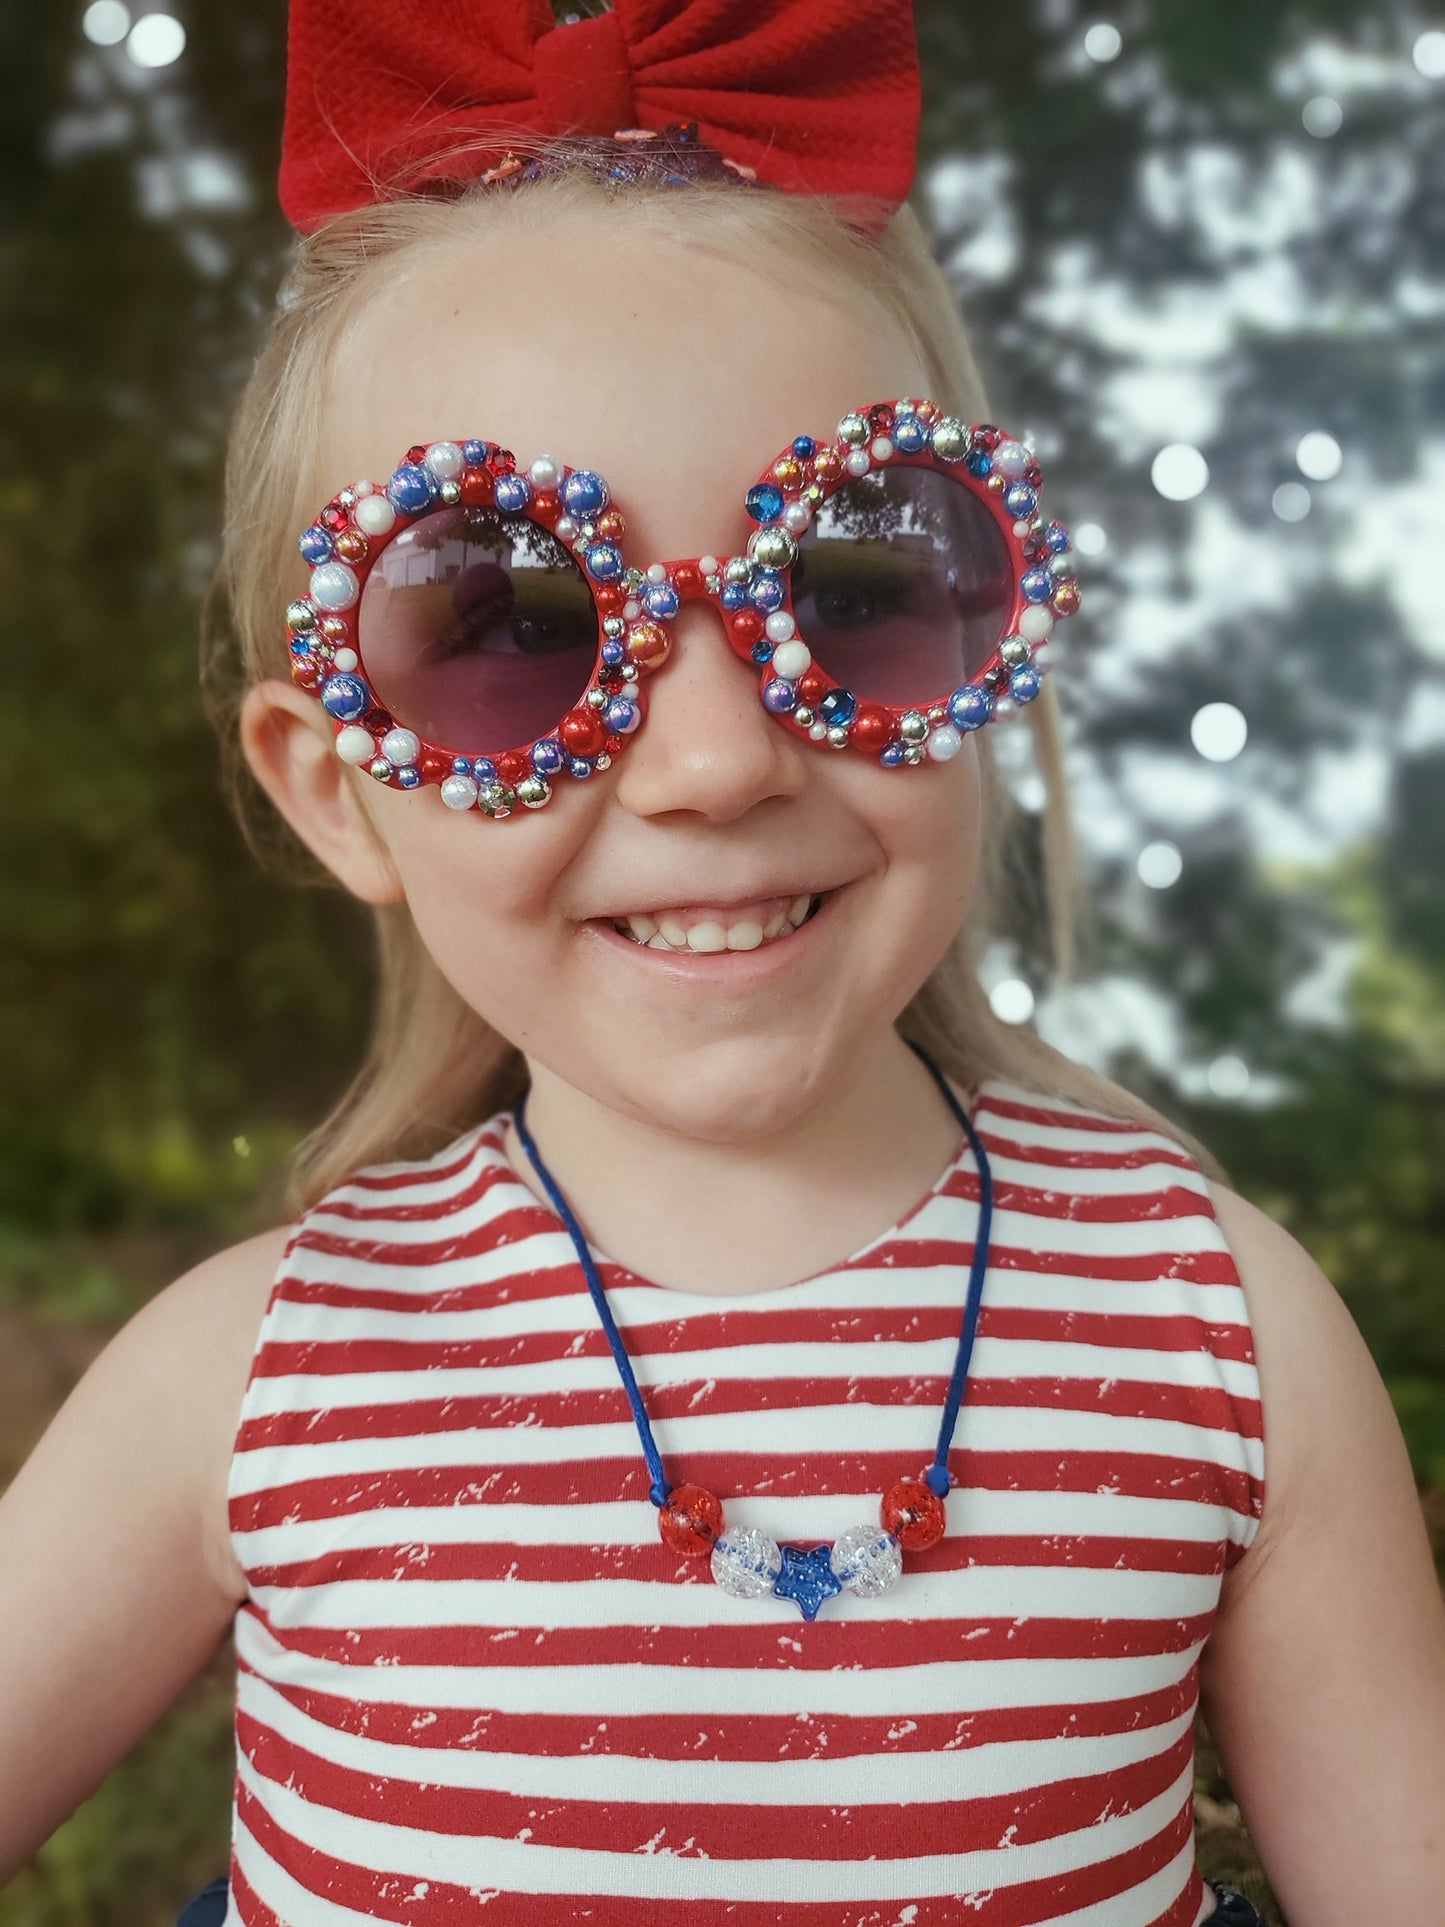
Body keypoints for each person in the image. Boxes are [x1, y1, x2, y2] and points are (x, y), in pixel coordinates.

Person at [2, 3, 1443, 1923]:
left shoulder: (1224, 1341)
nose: (711, 763)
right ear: (340, 794)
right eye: (508, 628)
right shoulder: (253, 1379)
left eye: (850, 591)